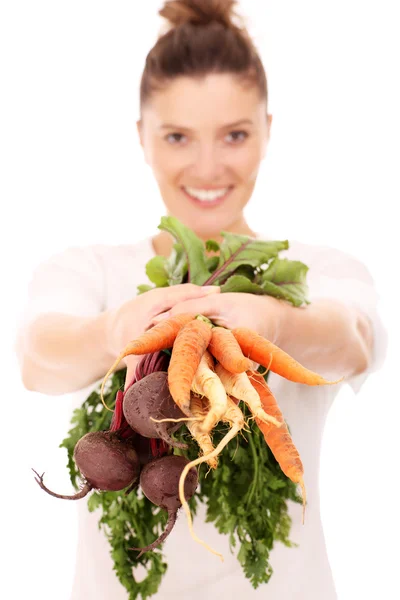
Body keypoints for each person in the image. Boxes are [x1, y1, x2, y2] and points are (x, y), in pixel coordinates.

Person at [16, 1, 386, 599]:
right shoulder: (91, 271)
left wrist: (273, 321)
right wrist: (117, 332)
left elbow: (354, 341)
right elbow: (37, 356)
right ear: (142, 137)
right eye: (178, 136)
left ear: (269, 129)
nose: (208, 166)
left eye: (235, 135)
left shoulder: (319, 272)